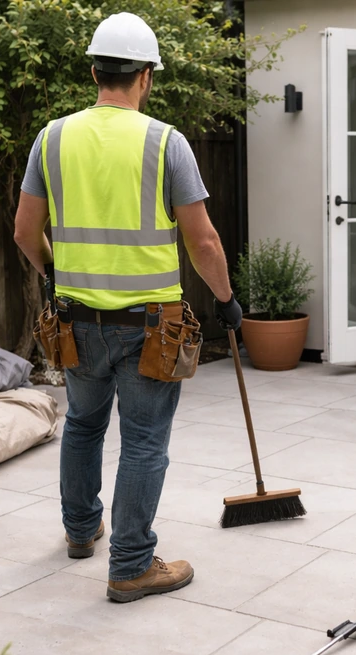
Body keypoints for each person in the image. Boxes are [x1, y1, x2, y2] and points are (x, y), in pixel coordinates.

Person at [13, 12, 243, 603]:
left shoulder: (52, 138)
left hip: (76, 322)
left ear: (95, 71)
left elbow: (23, 232)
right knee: (143, 441)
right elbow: (204, 242)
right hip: (149, 330)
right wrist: (227, 302)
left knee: (83, 426)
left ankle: (81, 529)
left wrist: (56, 274)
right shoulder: (167, 142)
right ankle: (132, 566)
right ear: (145, 77)